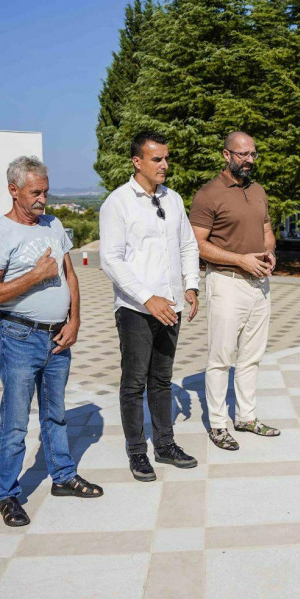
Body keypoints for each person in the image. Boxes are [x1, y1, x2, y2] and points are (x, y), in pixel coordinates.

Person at [0, 156, 102, 527]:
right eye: (35, 192)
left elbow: (70, 276)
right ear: (13, 190)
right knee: (16, 423)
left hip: (58, 337)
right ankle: (8, 494)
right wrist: (34, 276)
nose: (42, 200)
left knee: (56, 414)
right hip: (19, 337)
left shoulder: (54, 224)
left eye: (46, 192)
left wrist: (75, 320)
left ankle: (62, 476)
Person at [100, 131, 200, 481]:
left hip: (171, 306)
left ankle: (165, 444)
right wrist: (146, 297)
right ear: (137, 162)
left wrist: (190, 285)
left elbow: (187, 245)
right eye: (157, 159)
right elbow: (110, 260)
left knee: (162, 379)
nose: (164, 165)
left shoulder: (173, 199)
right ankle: (137, 452)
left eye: (166, 158)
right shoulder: (118, 202)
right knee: (134, 382)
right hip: (136, 309)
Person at [190, 131, 278, 451]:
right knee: (220, 358)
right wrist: (240, 259)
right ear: (226, 155)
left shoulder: (258, 191)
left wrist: (269, 252)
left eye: (253, 154)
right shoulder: (208, 194)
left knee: (252, 357)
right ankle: (217, 424)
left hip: (259, 283)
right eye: (243, 155)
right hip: (226, 283)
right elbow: (198, 245)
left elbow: (267, 231)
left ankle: (247, 416)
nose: (250, 160)